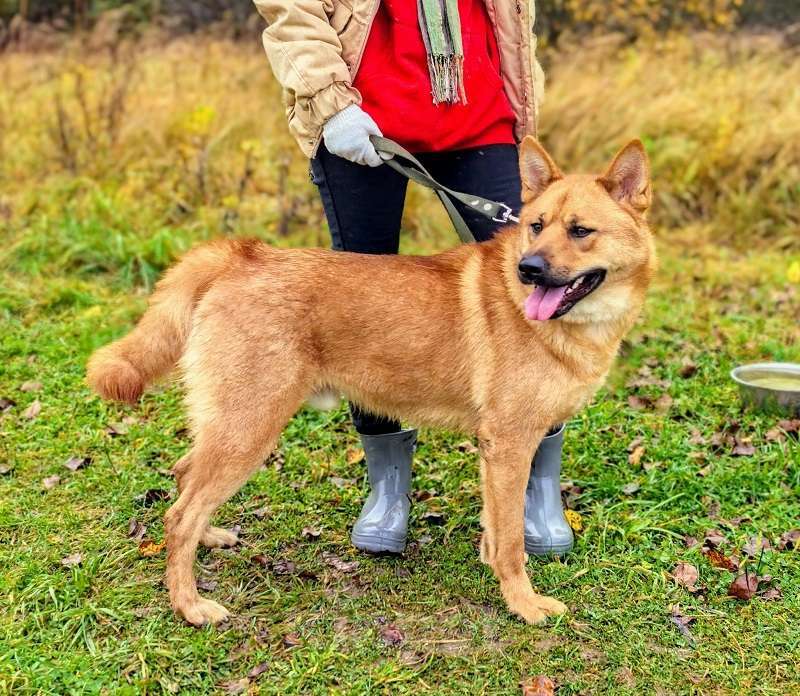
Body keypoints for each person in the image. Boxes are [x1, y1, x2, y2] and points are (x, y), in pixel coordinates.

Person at [252, 0, 573, 556]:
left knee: (538, 289)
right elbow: (292, 9)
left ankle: (537, 484)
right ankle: (388, 488)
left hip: (482, 112)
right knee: (360, 316)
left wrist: (525, 89)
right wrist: (329, 103)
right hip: (361, 115)